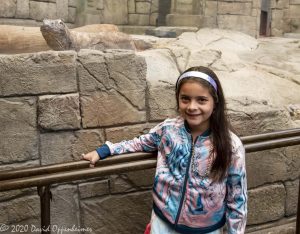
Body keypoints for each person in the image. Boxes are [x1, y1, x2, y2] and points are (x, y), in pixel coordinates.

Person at [82, 66, 247, 234]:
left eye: (201, 100)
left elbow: (237, 198)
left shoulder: (231, 146)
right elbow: (139, 143)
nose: (192, 106)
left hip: (206, 228)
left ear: (215, 101)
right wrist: (105, 150)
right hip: (163, 222)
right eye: (185, 99)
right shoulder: (168, 130)